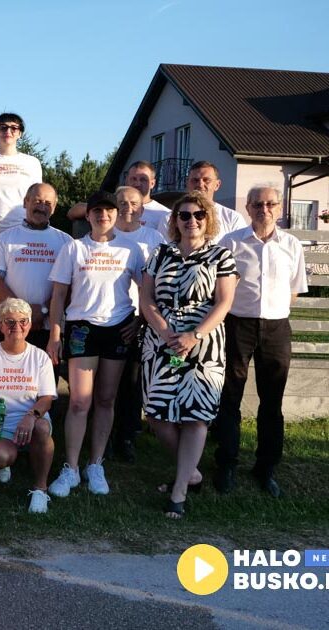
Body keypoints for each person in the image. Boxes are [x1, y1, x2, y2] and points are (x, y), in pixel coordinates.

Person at [140, 193, 238, 518]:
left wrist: (194, 335)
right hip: (162, 340)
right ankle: (191, 473)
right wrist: (166, 331)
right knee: (156, 412)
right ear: (175, 220)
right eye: (184, 215)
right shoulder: (160, 253)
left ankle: (179, 492)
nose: (191, 221)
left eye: (198, 215)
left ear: (208, 219)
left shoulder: (221, 256)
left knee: (196, 416)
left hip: (204, 342)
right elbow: (146, 297)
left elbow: (224, 302)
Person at [46, 191, 144, 498]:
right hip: (82, 329)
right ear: (88, 216)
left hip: (118, 328)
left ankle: (96, 464)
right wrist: (55, 336)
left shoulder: (132, 249)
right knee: (79, 402)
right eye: (97, 211)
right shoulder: (74, 249)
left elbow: (147, 293)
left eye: (109, 210)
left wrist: (139, 322)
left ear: (117, 215)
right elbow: (59, 296)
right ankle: (71, 468)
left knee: (105, 400)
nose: (103, 215)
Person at [215, 184, 307, 498]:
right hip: (238, 325)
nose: (263, 209)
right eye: (257, 204)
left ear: (279, 208)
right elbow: (221, 287)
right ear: (248, 208)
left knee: (272, 402)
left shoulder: (291, 244)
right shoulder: (231, 242)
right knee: (230, 397)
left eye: (270, 204)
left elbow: (294, 290)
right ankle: (226, 464)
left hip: (276, 327)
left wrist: (270, 312)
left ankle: (266, 468)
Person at [0, 298, 56, 514]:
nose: (17, 327)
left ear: (30, 324)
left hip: (30, 421)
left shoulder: (39, 357)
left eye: (23, 321)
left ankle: (40, 488)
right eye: (9, 322)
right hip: (0, 426)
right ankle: (6, 463)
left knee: (42, 428)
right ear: (0, 325)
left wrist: (31, 416)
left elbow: (47, 398)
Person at [111, 185, 167, 462]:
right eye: (121, 202)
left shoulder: (154, 238)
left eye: (133, 203)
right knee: (108, 382)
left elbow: (156, 285)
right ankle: (107, 435)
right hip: (111, 316)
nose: (127, 208)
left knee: (133, 380)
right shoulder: (105, 234)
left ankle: (127, 435)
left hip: (141, 317)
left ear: (142, 208)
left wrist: (143, 318)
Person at [0, 183, 73, 348]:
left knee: (46, 374)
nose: (42, 207)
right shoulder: (4, 238)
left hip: (49, 328)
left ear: (54, 208)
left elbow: (70, 286)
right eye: (37, 201)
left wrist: (43, 311)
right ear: (25, 202)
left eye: (47, 203)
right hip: (9, 325)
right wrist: (23, 313)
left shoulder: (66, 242)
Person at [0, 113, 43, 248]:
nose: (8, 131)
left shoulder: (32, 163)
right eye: (3, 127)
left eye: (14, 128)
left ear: (20, 133)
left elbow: (37, 198)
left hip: (22, 232)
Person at [155, 161, 248, 242]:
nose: (200, 184)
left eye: (206, 180)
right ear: (187, 183)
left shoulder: (233, 219)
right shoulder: (169, 219)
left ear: (217, 185)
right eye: (195, 180)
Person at [66, 161, 170, 232]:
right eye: (133, 179)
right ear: (126, 180)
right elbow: (72, 213)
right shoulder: (113, 205)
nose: (137, 183)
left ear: (152, 183)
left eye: (143, 179)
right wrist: (101, 208)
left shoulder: (163, 214)